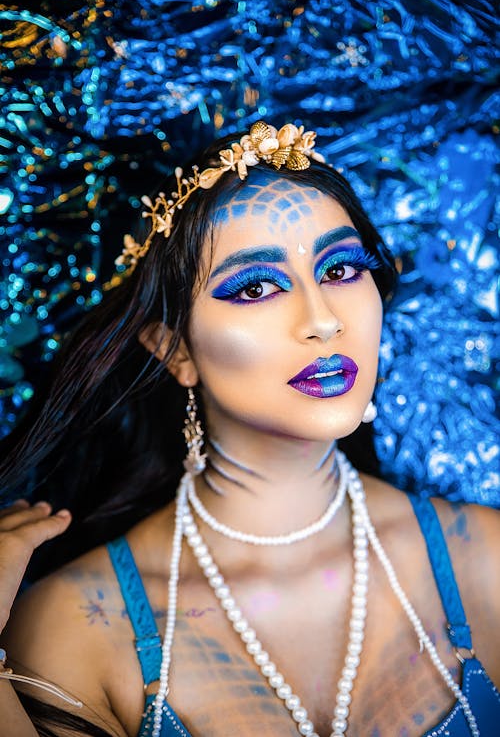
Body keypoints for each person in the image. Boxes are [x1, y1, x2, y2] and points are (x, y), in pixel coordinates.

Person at [0, 121, 498, 737]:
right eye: (257, 286)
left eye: (341, 269)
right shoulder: (72, 626)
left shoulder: (486, 562)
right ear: (173, 347)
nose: (321, 321)